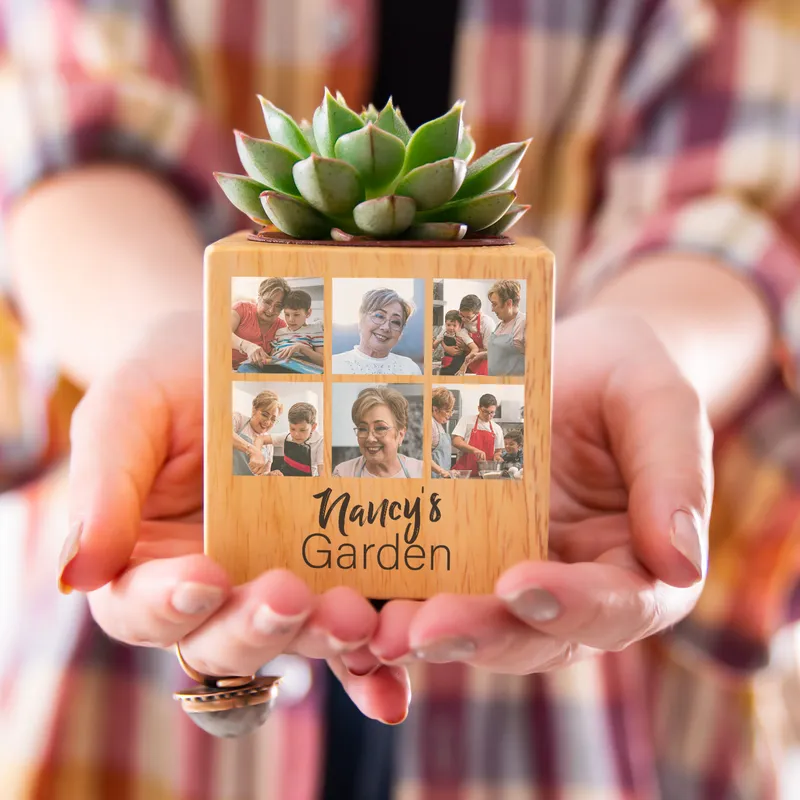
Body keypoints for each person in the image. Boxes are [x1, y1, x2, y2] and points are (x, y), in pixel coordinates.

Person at [3, 2, 800, 799]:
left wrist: (649, 355)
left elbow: (734, 205)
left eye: (394, 320)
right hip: (132, 690)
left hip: (592, 698)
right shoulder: (327, 401)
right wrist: (188, 352)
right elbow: (61, 125)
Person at [332, 386, 424, 478]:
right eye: (363, 429)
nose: (370, 438)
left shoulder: (421, 471)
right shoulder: (343, 473)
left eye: (380, 428)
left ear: (400, 434)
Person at [332, 288, 422, 375]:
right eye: (379, 316)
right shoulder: (334, 365)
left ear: (401, 332)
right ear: (361, 319)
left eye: (395, 322)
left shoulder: (410, 369)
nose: (386, 327)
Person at [464, 280, 526, 376]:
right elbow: (503, 353)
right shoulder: (500, 324)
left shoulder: (524, 324)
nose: (492, 309)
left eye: (494, 304)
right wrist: (481, 355)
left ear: (508, 303)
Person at [231, 277, 290, 371]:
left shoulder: (281, 326)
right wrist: (246, 346)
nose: (271, 310)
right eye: (267, 302)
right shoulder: (241, 308)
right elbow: (221, 333)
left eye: (278, 306)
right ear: (258, 298)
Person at [268, 290, 325, 374]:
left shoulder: (315, 331)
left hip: (300, 366)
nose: (291, 320)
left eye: (296, 314)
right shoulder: (280, 332)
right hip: (277, 365)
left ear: (308, 313)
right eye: (287, 314)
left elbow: (323, 361)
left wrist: (301, 348)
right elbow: (272, 354)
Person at [451, 394, 505, 477]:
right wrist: (474, 450)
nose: (488, 416)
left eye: (492, 412)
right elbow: (456, 441)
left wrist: (497, 456)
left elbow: (498, 451)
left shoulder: (497, 428)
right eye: (485, 411)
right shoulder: (467, 420)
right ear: (479, 408)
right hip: (465, 472)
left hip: (486, 474)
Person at [232, 389, 283, 477]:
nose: (267, 422)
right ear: (254, 409)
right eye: (265, 415)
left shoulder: (269, 444)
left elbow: (263, 474)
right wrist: (252, 450)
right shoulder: (239, 420)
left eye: (273, 419)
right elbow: (223, 434)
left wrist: (269, 475)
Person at [457, 294, 495, 376]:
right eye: (461, 315)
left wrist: (466, 347)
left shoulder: (487, 323)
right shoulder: (459, 318)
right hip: (467, 361)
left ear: (477, 313)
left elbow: (489, 352)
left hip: (482, 363)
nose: (463, 319)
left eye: (468, 317)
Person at [433, 310, 477, 375]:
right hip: (447, 362)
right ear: (445, 323)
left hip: (458, 363)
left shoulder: (462, 333)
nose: (451, 328)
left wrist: (465, 363)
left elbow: (475, 348)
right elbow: (434, 345)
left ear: (460, 325)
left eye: (454, 325)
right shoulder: (444, 331)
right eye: (448, 325)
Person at [430, 387, 456, 478]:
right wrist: (442, 471)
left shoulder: (439, 424)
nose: (450, 414)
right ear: (435, 409)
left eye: (451, 411)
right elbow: (423, 457)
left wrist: (448, 472)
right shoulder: (430, 423)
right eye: (447, 411)